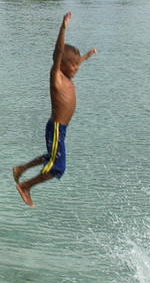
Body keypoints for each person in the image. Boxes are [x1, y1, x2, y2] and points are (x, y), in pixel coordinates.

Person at [13, 13, 95, 207]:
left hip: (60, 129)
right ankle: (26, 186)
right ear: (62, 65)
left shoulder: (67, 75)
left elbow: (72, 60)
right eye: (74, 65)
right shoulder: (57, 76)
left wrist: (86, 56)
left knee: (51, 157)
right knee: (58, 167)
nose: (77, 67)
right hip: (57, 127)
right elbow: (59, 53)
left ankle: (21, 168)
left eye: (78, 65)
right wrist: (63, 28)